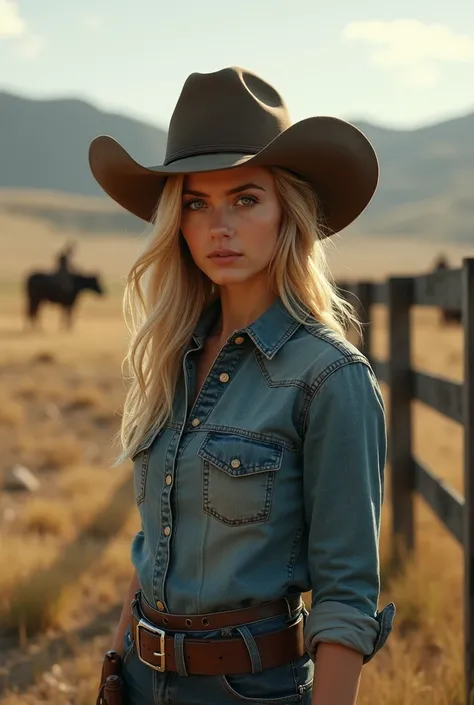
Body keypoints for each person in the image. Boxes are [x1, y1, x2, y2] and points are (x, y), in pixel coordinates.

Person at [89, 67, 395, 705]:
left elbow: (346, 598)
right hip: (140, 683)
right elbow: (153, 551)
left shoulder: (330, 378)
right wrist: (115, 671)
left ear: (289, 210)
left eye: (245, 199)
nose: (217, 226)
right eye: (197, 203)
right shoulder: (171, 359)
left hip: (249, 690)